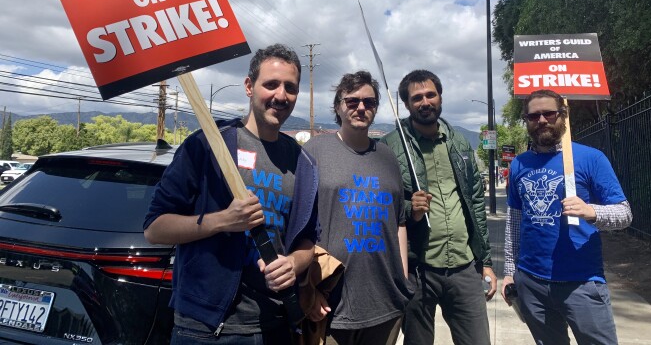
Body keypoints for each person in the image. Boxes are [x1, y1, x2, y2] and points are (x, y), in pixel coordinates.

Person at [144, 44, 319, 345]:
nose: (281, 95)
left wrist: (293, 264)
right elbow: (154, 228)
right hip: (204, 327)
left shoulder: (303, 164)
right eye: (271, 84)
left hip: (274, 324)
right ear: (249, 86)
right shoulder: (208, 146)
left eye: (290, 87)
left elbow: (308, 242)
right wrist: (222, 221)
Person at [500, 89, 632, 345]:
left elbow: (624, 213)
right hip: (531, 282)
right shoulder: (519, 164)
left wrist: (592, 211)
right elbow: (514, 221)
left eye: (549, 113)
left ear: (564, 115)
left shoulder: (591, 158)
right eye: (533, 116)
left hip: (581, 283)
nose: (541, 120)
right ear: (526, 120)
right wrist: (509, 271)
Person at [380, 69, 496, 345]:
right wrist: (410, 210)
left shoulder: (458, 143)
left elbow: (476, 203)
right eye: (416, 97)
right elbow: (383, 206)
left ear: (440, 97)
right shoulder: (390, 147)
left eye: (430, 94)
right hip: (418, 270)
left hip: (464, 266)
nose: (425, 102)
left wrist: (486, 263)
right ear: (406, 105)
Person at [303, 71, 413, 345]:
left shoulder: (387, 157)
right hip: (331, 302)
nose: (361, 107)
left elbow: (398, 221)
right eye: (352, 101)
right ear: (339, 106)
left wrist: (403, 280)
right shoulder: (315, 150)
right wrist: (307, 289)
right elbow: (299, 226)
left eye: (369, 102)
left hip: (385, 303)